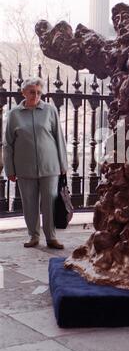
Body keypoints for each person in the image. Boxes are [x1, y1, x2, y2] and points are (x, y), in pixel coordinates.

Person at [3, 77, 68, 249]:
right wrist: (10, 169)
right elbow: (8, 144)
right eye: (32, 92)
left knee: (49, 203)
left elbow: (59, 138)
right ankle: (33, 236)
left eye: (39, 92)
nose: (36, 95)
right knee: (29, 204)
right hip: (24, 168)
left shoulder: (50, 110)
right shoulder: (14, 114)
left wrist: (63, 164)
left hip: (50, 166)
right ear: (23, 92)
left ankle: (51, 237)